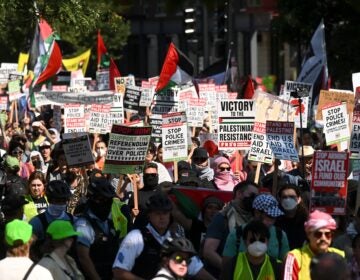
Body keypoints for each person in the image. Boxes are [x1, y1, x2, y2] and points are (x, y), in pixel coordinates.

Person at [113, 193, 215, 280]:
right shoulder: (136, 237)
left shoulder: (177, 239)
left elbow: (197, 269)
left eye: (165, 213)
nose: (162, 217)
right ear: (149, 215)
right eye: (158, 213)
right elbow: (118, 272)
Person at [75, 177, 132, 280]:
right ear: (92, 199)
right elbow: (84, 258)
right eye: (102, 200)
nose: (106, 204)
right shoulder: (84, 224)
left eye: (109, 200)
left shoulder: (109, 220)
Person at [203, 181, 258, 278]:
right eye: (251, 195)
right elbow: (208, 252)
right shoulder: (222, 217)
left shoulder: (254, 219)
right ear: (239, 194)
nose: (254, 199)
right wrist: (232, 270)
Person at [222, 193, 289, 263]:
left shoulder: (280, 235)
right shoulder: (237, 233)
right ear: (257, 213)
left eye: (275, 216)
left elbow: (284, 264)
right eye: (270, 216)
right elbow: (227, 264)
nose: (274, 219)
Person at [283, 210, 345, 280]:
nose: (323, 238)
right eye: (318, 234)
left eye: (328, 234)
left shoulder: (340, 256)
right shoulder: (295, 257)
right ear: (308, 234)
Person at [275, 184, 308, 249]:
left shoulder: (306, 221)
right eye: (284, 197)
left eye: (292, 197)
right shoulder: (275, 220)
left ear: (299, 199)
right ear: (280, 199)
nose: (288, 200)